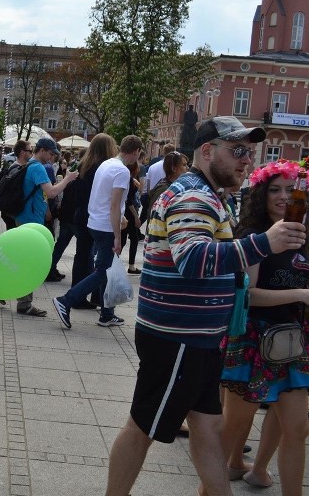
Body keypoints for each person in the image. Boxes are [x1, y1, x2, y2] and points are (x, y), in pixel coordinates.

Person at [104, 117, 306, 496]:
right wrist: (265, 243)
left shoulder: (212, 195)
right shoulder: (194, 194)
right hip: (177, 337)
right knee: (142, 427)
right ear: (208, 151)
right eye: (238, 150)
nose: (247, 160)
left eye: (250, 152)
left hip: (196, 338)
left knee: (208, 427)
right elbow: (193, 260)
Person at [219, 159, 308, 494]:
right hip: (253, 342)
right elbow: (250, 296)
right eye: (275, 190)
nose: (284, 197)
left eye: (291, 189)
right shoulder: (255, 237)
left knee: (297, 430)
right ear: (261, 194)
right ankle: (207, 488)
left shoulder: (302, 232)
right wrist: (300, 293)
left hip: (293, 343)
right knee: (232, 431)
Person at [53, 135, 144, 328]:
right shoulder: (121, 171)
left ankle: (107, 313)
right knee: (103, 271)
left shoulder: (108, 164)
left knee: (107, 269)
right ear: (136, 152)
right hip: (106, 227)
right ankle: (66, 301)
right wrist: (118, 236)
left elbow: (100, 197)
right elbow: (114, 204)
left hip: (95, 223)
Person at [15, 138, 79, 316]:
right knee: (29, 264)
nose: (52, 158)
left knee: (23, 261)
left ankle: (18, 298)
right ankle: (24, 304)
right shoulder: (37, 167)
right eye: (51, 154)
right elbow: (51, 192)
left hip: (26, 219)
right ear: (41, 150)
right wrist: (67, 179)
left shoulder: (29, 165)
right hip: (30, 222)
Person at [121, 160, 142, 275]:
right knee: (133, 239)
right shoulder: (128, 179)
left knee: (124, 239)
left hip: (125, 212)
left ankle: (115, 259)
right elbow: (129, 201)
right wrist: (136, 217)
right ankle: (131, 266)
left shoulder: (127, 178)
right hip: (130, 213)